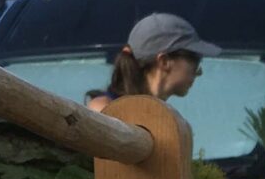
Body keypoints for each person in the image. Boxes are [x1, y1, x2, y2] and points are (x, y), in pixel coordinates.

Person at [87, 12, 221, 112]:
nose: (199, 72)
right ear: (164, 61)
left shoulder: (162, 118)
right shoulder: (103, 111)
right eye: (195, 59)